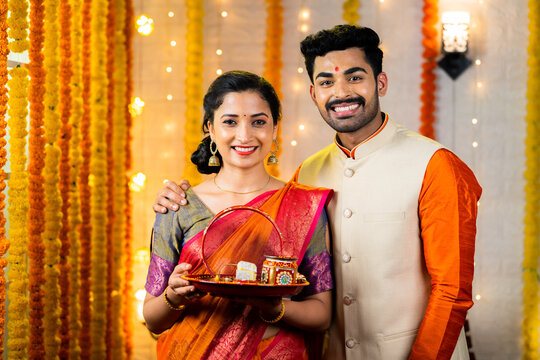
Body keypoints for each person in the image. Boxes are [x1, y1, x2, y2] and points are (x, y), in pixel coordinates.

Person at [153, 25, 482, 360]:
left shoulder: (434, 164)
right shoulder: (308, 174)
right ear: (313, 94)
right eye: (327, 82)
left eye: (355, 78)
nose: (341, 93)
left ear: (380, 82)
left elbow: (451, 291)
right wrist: (179, 198)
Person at [143, 70, 334, 359]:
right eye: (230, 122)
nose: (244, 135)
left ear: (274, 128)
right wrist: (172, 296)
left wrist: (276, 308)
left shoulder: (303, 206)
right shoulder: (179, 205)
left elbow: (321, 314)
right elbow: (153, 318)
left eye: (258, 122)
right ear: (210, 127)